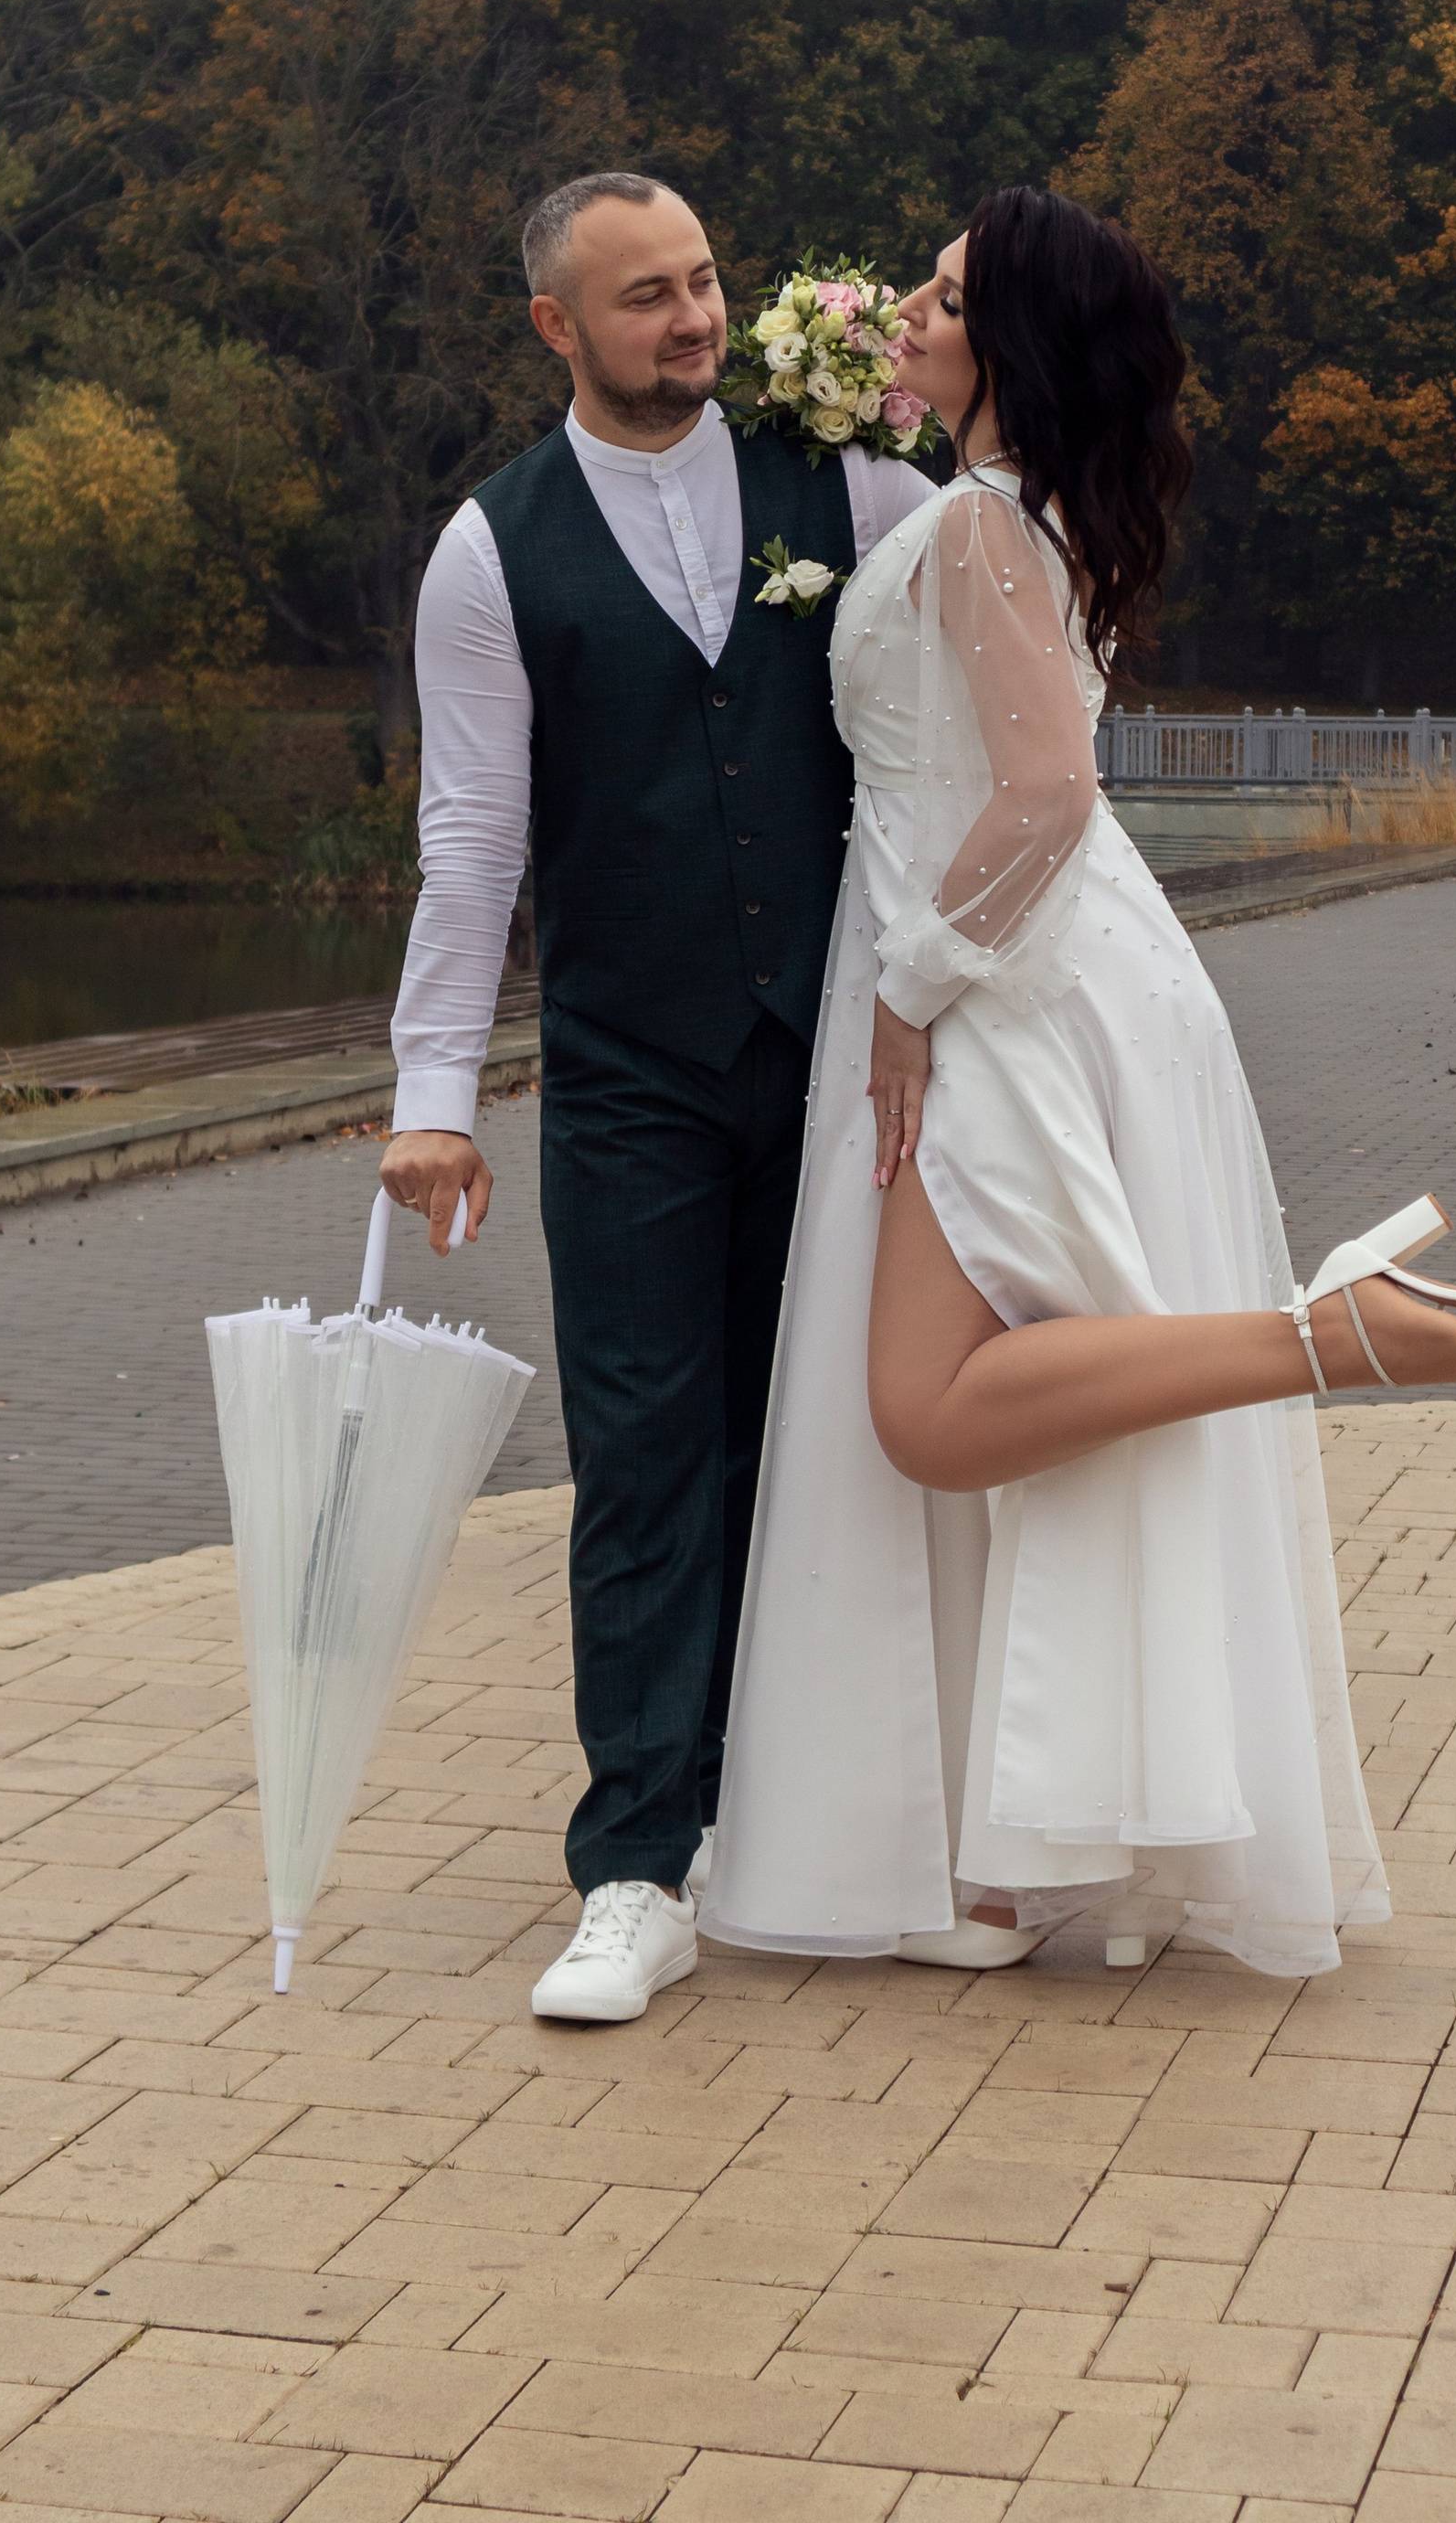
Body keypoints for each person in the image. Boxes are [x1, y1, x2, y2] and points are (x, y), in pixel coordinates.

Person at [702, 186, 1456, 1976]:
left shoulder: (972, 533)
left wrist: (911, 995)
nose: (909, 317)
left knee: (929, 1412)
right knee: (1019, 1418)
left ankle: (1342, 1337)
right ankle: (1009, 1863)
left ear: (1005, 347)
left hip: (1007, 993)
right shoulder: (1000, 520)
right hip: (1042, 974)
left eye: (942, 300)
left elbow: (1040, 798)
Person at [379, 171, 931, 2023]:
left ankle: (805, 1824)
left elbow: (981, 657)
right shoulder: (492, 550)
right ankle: (634, 1865)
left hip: (836, 1048)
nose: (691, 320)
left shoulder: (844, 479)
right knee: (639, 1464)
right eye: (644, 299)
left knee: (821, 1445)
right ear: (557, 326)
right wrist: (432, 1091)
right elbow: (472, 838)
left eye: (702, 282)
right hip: (623, 1073)